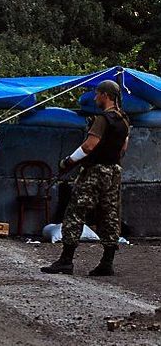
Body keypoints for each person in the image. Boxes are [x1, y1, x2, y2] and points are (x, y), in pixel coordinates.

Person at [41, 79, 130, 276]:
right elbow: (123, 148)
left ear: (106, 95)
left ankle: (66, 260)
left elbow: (89, 146)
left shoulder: (103, 119)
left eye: (97, 94)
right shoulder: (124, 119)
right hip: (114, 172)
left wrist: (68, 162)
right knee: (110, 215)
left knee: (75, 212)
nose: (95, 98)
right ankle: (107, 262)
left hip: (95, 172)